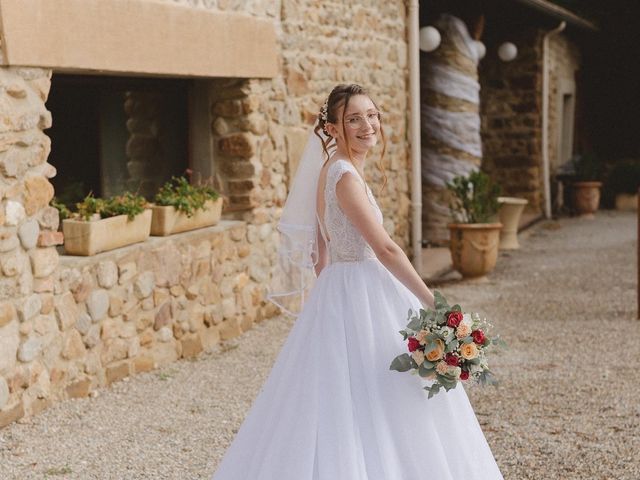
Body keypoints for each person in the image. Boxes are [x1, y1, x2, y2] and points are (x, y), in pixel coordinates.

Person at [211, 84, 504, 479]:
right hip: (365, 286)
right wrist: (434, 301)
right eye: (354, 119)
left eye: (372, 115)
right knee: (379, 393)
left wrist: (332, 298)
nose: (368, 125)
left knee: (350, 392)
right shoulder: (345, 177)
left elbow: (321, 256)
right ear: (332, 128)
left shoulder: (329, 172)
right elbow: (385, 249)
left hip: (342, 289)